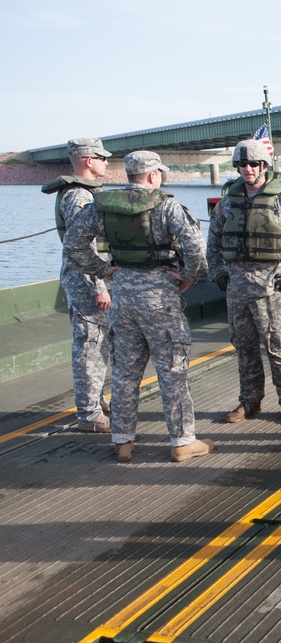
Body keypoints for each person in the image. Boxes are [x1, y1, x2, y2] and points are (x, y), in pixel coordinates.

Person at [63, 151, 212, 462]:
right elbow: (196, 247)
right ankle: (182, 441)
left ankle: (122, 440)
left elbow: (73, 244)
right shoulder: (166, 205)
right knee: (172, 369)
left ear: (129, 175)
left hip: (123, 295)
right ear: (154, 176)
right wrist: (187, 276)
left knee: (125, 371)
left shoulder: (102, 207)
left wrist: (103, 269)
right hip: (160, 295)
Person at [207, 139, 281, 425]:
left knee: (279, 347)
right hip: (237, 289)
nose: (247, 169)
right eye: (242, 164)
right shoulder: (228, 201)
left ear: (264, 166)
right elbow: (214, 239)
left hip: (274, 288)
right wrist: (217, 270)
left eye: (253, 164)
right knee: (244, 348)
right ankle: (249, 400)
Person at [41, 138, 113, 433]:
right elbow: (82, 246)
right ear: (88, 160)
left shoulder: (84, 193)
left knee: (99, 342)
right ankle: (89, 414)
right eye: (102, 158)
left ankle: (95, 398)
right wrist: (99, 285)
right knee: (89, 346)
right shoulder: (78, 196)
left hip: (89, 277)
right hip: (86, 280)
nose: (107, 163)